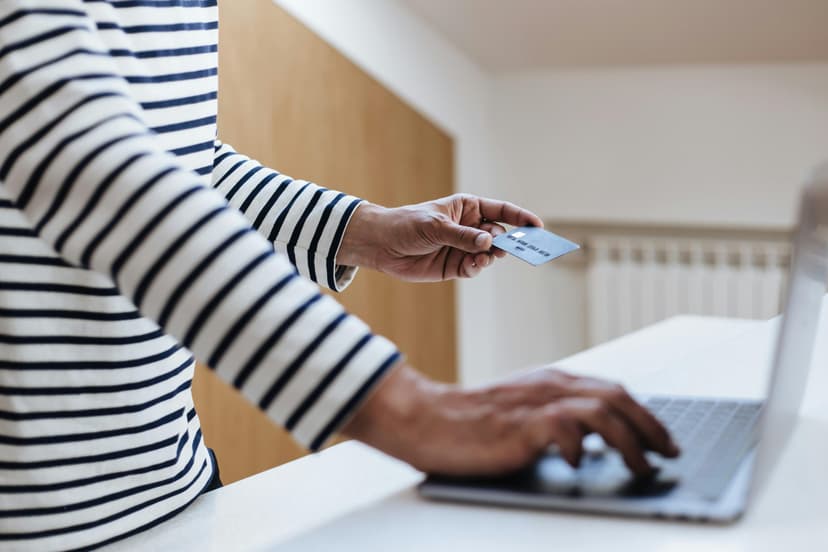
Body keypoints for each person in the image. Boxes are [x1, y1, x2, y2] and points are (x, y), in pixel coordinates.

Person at [0, 2, 678, 550]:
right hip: (38, 521)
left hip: (171, 488)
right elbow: (84, 161)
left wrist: (361, 231)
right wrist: (408, 409)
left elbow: (173, 157)